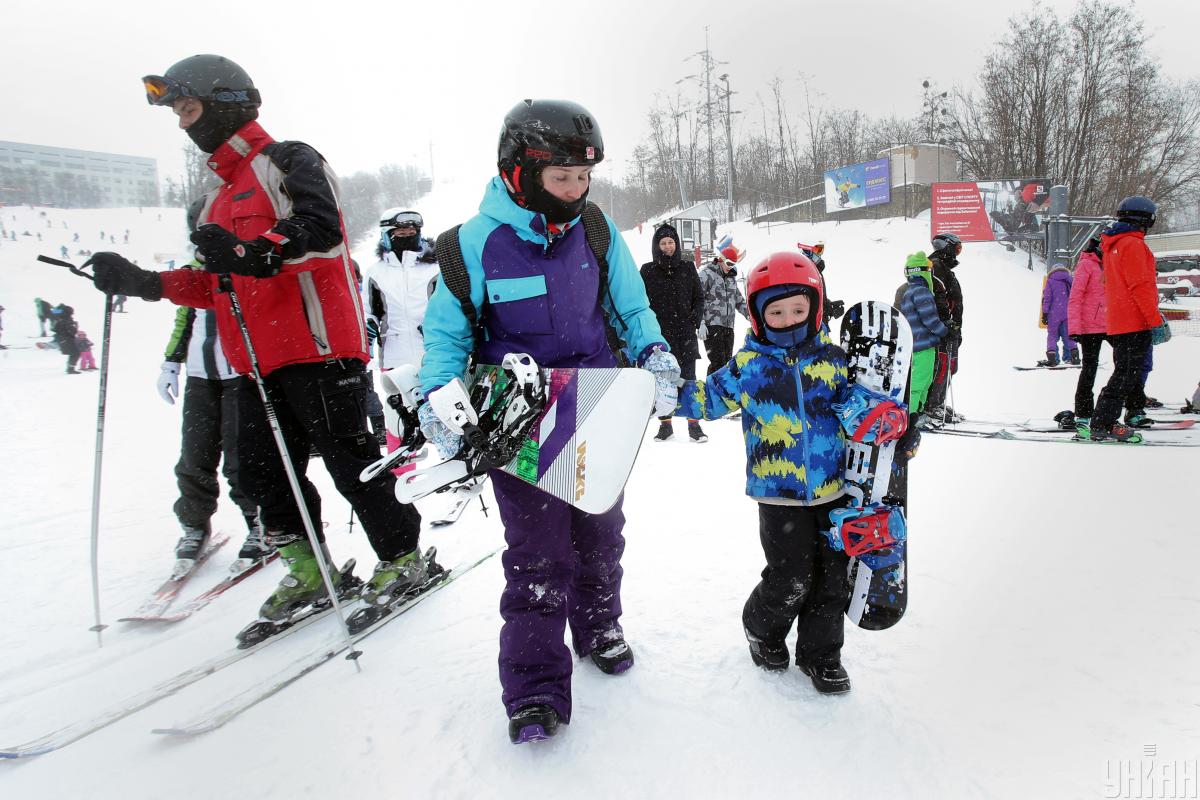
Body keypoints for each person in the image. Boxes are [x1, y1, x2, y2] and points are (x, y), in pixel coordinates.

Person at [84, 53, 427, 620]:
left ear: (224, 102)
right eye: (178, 113)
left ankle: (403, 558)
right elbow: (219, 284)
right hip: (253, 360)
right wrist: (145, 282)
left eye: (189, 109)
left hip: (317, 347)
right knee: (257, 472)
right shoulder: (216, 200)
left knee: (349, 462)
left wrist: (254, 249)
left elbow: (322, 232)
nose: (184, 124)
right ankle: (310, 570)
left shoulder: (286, 160)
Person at [417, 99, 677, 744]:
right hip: (520, 416)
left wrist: (655, 354)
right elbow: (446, 340)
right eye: (563, 179)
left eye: (584, 179)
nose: (577, 191)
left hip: (595, 404)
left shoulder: (595, 230)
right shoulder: (468, 246)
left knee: (600, 534)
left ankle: (600, 624)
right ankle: (533, 686)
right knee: (537, 556)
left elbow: (630, 307)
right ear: (521, 172)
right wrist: (436, 402)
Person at [674, 251, 906, 694]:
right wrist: (662, 392)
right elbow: (705, 400)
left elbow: (859, 410)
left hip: (833, 491)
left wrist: (895, 430)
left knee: (830, 581)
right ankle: (761, 629)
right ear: (760, 318)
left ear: (815, 307)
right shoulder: (748, 366)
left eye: (798, 309)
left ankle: (821, 656)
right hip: (778, 495)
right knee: (790, 577)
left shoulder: (835, 362)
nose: (788, 319)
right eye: (775, 312)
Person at [159, 206, 267, 564]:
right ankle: (194, 523)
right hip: (201, 377)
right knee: (194, 455)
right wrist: (171, 362)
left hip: (240, 375)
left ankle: (258, 522)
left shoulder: (242, 266)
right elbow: (183, 320)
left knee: (242, 458)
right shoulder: (191, 273)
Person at [1086, 196, 1166, 443]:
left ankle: (1104, 421)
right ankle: (1104, 423)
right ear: (1143, 218)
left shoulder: (1115, 244)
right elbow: (1141, 286)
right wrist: (1155, 321)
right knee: (1125, 375)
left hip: (1121, 320)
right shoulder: (1132, 244)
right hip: (1133, 321)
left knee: (1125, 374)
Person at [362, 208, 439, 450]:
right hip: (394, 353)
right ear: (386, 235)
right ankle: (402, 473)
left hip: (434, 352)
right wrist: (369, 325)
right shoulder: (376, 273)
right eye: (400, 232)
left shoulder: (435, 267)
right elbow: (368, 308)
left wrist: (439, 327)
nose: (407, 235)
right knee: (399, 420)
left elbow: (450, 306)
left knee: (445, 412)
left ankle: (459, 470)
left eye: (412, 231)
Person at [641, 223, 706, 442]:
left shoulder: (687, 268)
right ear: (656, 246)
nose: (667, 247)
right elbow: (641, 302)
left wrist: (695, 319)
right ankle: (665, 426)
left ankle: (694, 426)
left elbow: (699, 297)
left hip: (685, 334)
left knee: (688, 379)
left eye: (671, 242)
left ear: (676, 244)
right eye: (663, 243)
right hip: (660, 336)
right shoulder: (647, 271)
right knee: (663, 380)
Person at [896, 252, 948, 420]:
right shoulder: (921, 292)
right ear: (923, 271)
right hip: (922, 346)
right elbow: (930, 320)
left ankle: (917, 414)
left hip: (920, 344)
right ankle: (910, 417)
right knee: (919, 384)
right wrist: (946, 331)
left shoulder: (910, 291)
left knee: (924, 382)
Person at [1065, 236, 1107, 433]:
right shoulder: (1087, 265)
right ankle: (1083, 412)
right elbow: (1075, 297)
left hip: (1112, 323)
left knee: (1127, 364)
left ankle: (1127, 407)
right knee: (1089, 369)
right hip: (1091, 326)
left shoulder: (1110, 263)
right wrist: (1075, 328)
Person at [924, 232, 964, 421]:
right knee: (942, 366)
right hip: (942, 329)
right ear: (946, 247)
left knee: (950, 366)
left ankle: (939, 402)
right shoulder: (936, 267)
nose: (957, 253)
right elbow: (939, 297)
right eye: (956, 249)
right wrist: (946, 323)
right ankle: (932, 405)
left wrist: (957, 327)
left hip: (951, 328)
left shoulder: (945, 269)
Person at [698, 236, 749, 376]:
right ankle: (711, 392)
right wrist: (700, 322)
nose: (730, 266)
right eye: (728, 262)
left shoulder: (731, 279)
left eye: (733, 264)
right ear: (721, 259)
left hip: (728, 326)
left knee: (727, 363)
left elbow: (739, 300)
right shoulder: (707, 274)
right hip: (712, 325)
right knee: (717, 363)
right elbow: (696, 299)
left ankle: (723, 393)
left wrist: (750, 314)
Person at [1038, 264, 1078, 366]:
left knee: (1052, 336)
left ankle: (1053, 358)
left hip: (1053, 314)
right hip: (1068, 313)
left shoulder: (1050, 281)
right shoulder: (1070, 279)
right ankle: (1073, 356)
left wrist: (1045, 314)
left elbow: (1047, 298)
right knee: (1069, 336)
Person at [50, 304, 81, 374]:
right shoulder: (67, 320)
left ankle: (70, 368)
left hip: (61, 339)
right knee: (76, 353)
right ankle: (70, 369)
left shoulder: (60, 319)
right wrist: (76, 325)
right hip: (67, 339)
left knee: (73, 353)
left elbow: (54, 329)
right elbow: (73, 331)